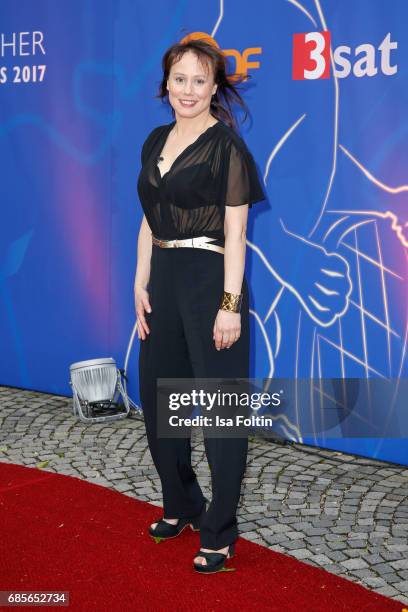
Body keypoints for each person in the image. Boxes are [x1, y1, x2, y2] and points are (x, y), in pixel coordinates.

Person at [134, 37, 266, 574]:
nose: (187, 90)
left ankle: (220, 531)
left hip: (211, 278)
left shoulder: (227, 149)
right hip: (161, 278)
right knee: (159, 406)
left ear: (216, 87)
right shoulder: (154, 140)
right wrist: (138, 282)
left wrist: (230, 305)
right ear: (166, 83)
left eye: (199, 80)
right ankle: (182, 505)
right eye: (179, 79)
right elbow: (148, 217)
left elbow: (236, 235)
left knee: (219, 413)